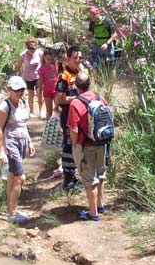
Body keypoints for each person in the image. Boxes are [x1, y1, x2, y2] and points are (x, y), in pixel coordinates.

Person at [67, 72, 110, 221]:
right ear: (89, 84)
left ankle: (93, 213)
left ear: (76, 85)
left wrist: (75, 144)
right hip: (102, 142)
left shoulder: (75, 103)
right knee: (101, 174)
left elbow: (73, 128)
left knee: (88, 179)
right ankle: (100, 205)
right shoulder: (99, 97)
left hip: (85, 145)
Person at [0, 75, 34, 224]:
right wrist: (1, 151)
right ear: (9, 90)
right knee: (20, 178)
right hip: (10, 145)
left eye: (22, 89)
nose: (20, 92)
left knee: (12, 176)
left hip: (21, 143)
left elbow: (23, 125)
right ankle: (13, 212)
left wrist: (29, 142)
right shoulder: (4, 107)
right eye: (16, 90)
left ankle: (10, 209)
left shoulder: (24, 102)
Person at [56, 45, 88, 191]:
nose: (78, 60)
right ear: (68, 59)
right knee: (69, 145)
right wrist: (77, 98)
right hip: (68, 116)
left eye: (80, 58)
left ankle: (76, 176)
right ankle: (68, 180)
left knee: (79, 144)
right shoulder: (64, 76)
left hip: (80, 116)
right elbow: (60, 99)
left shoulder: (79, 72)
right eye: (75, 58)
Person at [17, 37, 43, 117]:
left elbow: (44, 62)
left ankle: (41, 111)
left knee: (39, 94)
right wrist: (19, 75)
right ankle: (31, 111)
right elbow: (18, 65)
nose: (32, 51)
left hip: (38, 76)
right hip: (28, 77)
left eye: (33, 49)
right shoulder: (23, 55)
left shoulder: (40, 53)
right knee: (30, 95)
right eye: (30, 49)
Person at [38, 46, 58, 119]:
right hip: (47, 92)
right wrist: (39, 97)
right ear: (44, 58)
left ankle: (59, 128)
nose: (49, 61)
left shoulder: (56, 66)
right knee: (49, 112)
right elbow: (40, 84)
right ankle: (48, 128)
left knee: (58, 110)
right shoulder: (42, 69)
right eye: (47, 59)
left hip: (56, 91)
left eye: (51, 59)